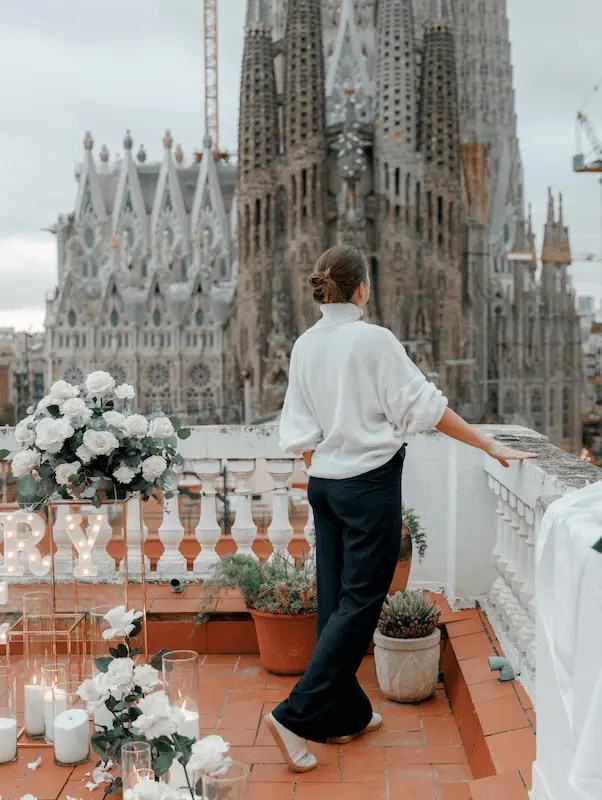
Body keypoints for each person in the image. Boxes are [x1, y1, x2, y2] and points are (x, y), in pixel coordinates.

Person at [265, 245, 537, 772]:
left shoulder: (305, 344)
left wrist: (326, 466)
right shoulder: (374, 340)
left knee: (335, 598)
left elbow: (298, 426)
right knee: (361, 602)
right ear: (363, 289)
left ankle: (343, 712)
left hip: (324, 485)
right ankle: (293, 716)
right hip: (368, 486)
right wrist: (487, 443)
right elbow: (426, 407)